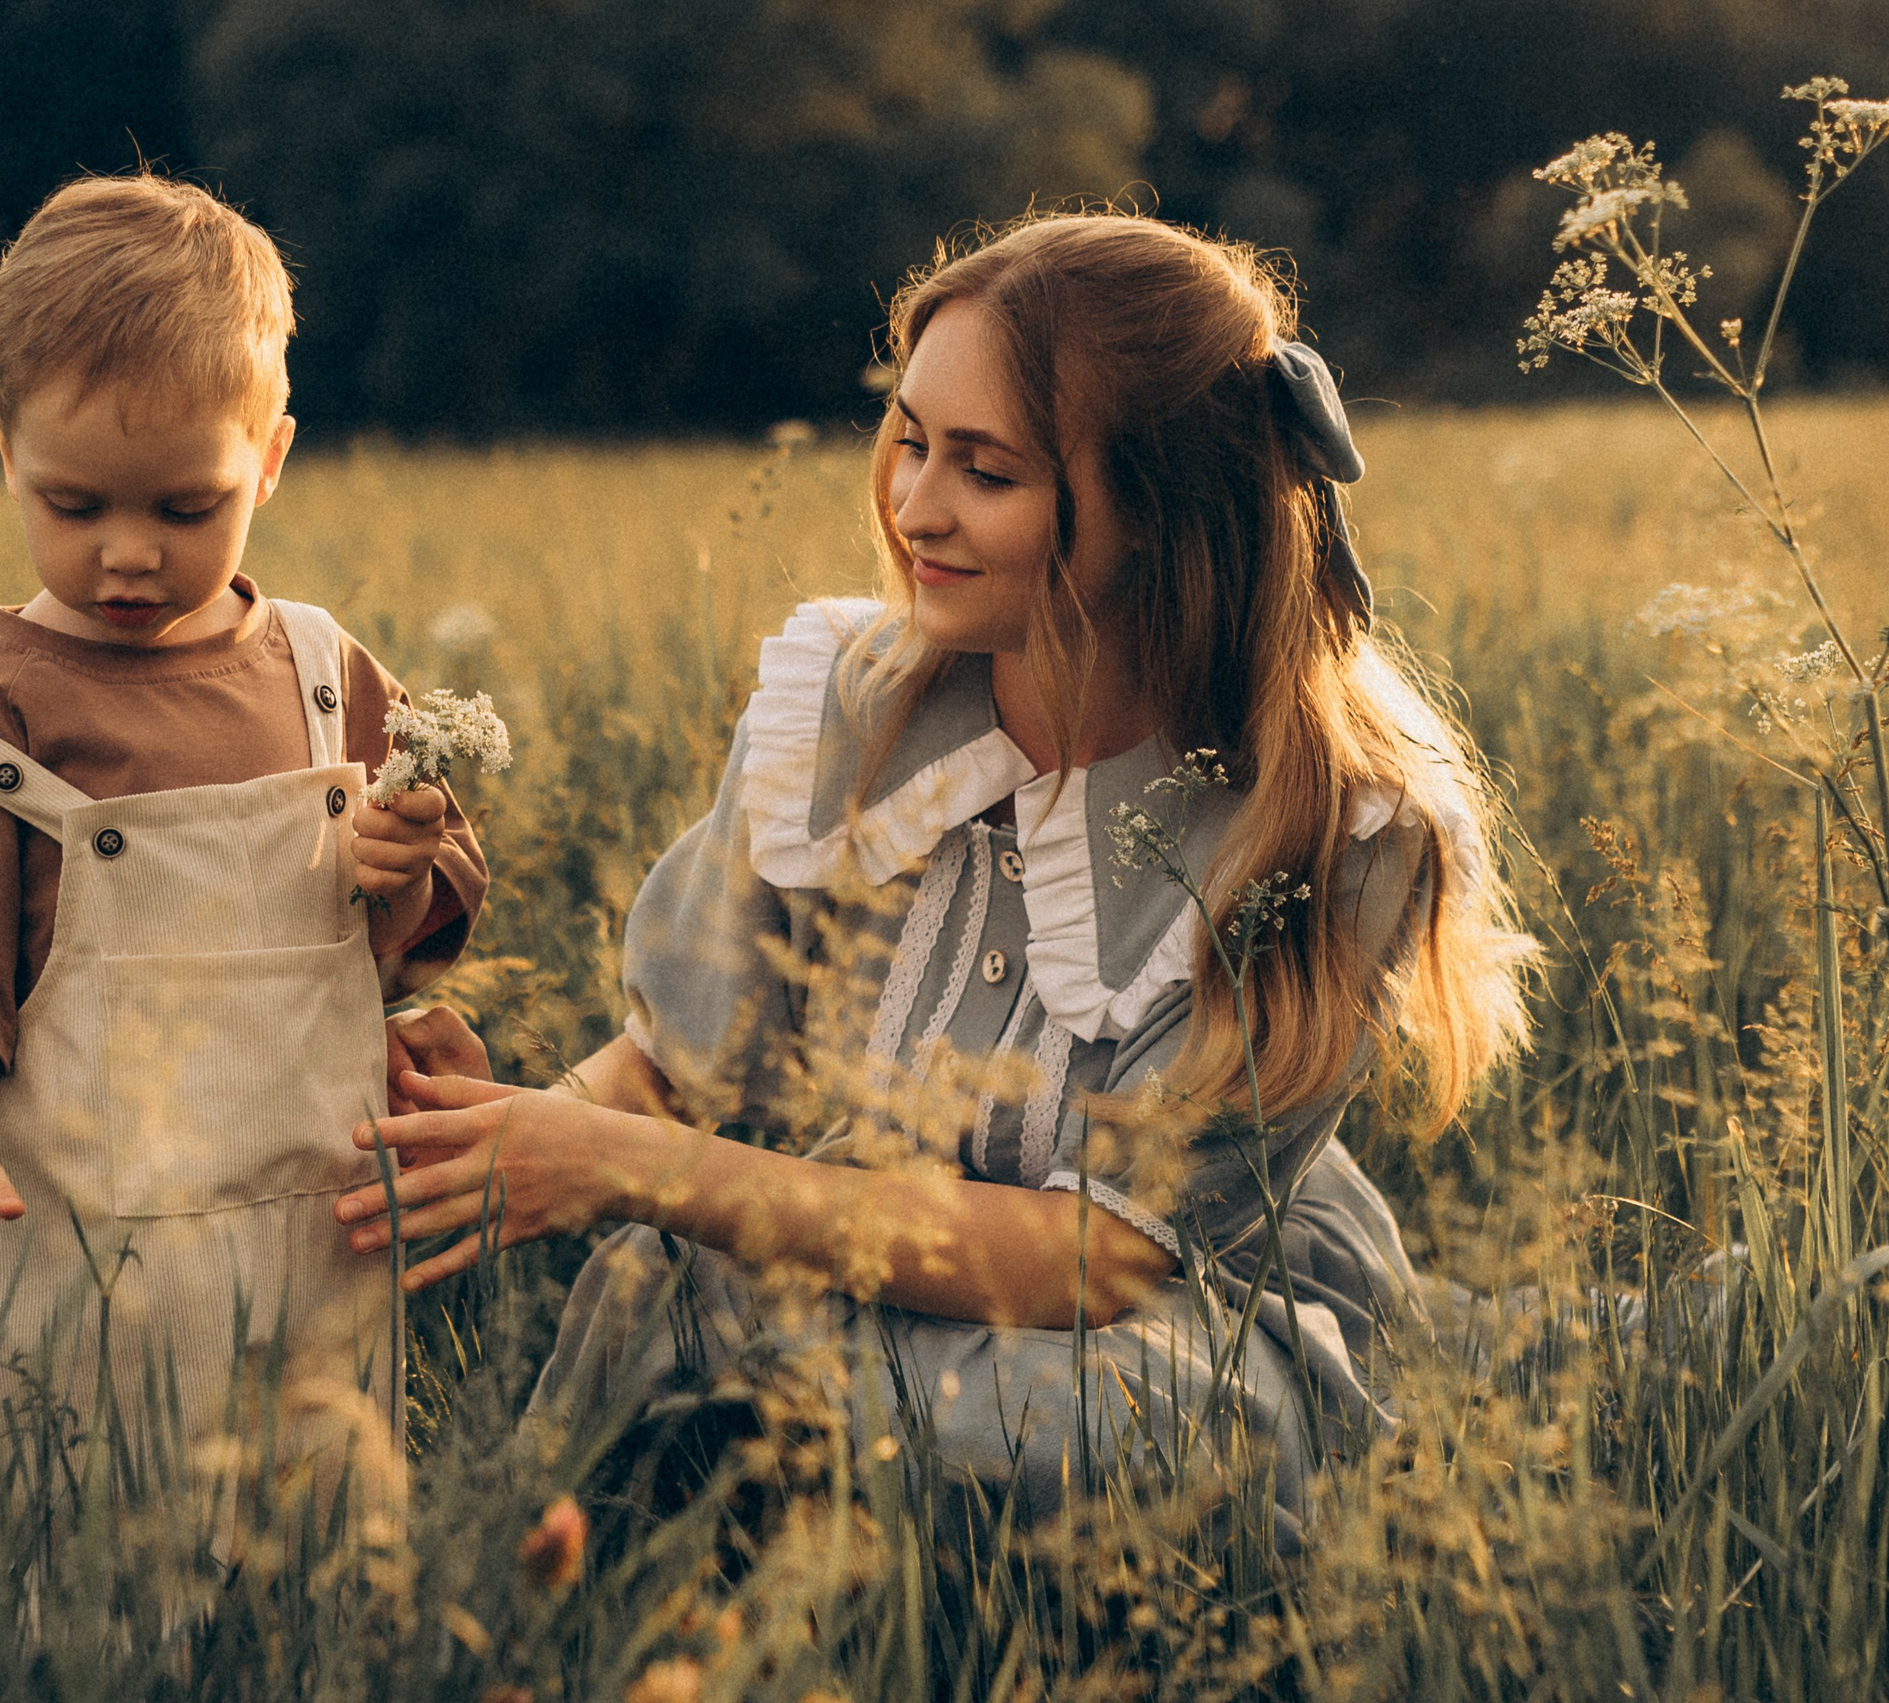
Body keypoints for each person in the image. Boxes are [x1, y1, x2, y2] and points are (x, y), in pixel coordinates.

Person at [334, 212, 1530, 1532]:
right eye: (911, 442)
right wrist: (507, 1134)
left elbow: (1097, 1264)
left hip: (1131, 1325)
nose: (914, 509)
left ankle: (789, 1482)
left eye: (987, 471)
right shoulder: (849, 711)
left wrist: (635, 1169)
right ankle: (724, 1503)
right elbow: (681, 1069)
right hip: (823, 1256)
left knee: (1135, 1427)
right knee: (666, 1293)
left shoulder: (1321, 833)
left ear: (1158, 509)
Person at [0, 172, 487, 1485]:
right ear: (8, 453)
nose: (129, 553)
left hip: (312, 1250)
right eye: (75, 507)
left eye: (186, 508)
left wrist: (398, 874)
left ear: (270, 461)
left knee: (314, 1536)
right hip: (78, 1256)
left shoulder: (323, 673)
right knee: (88, 1533)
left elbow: (402, 951)